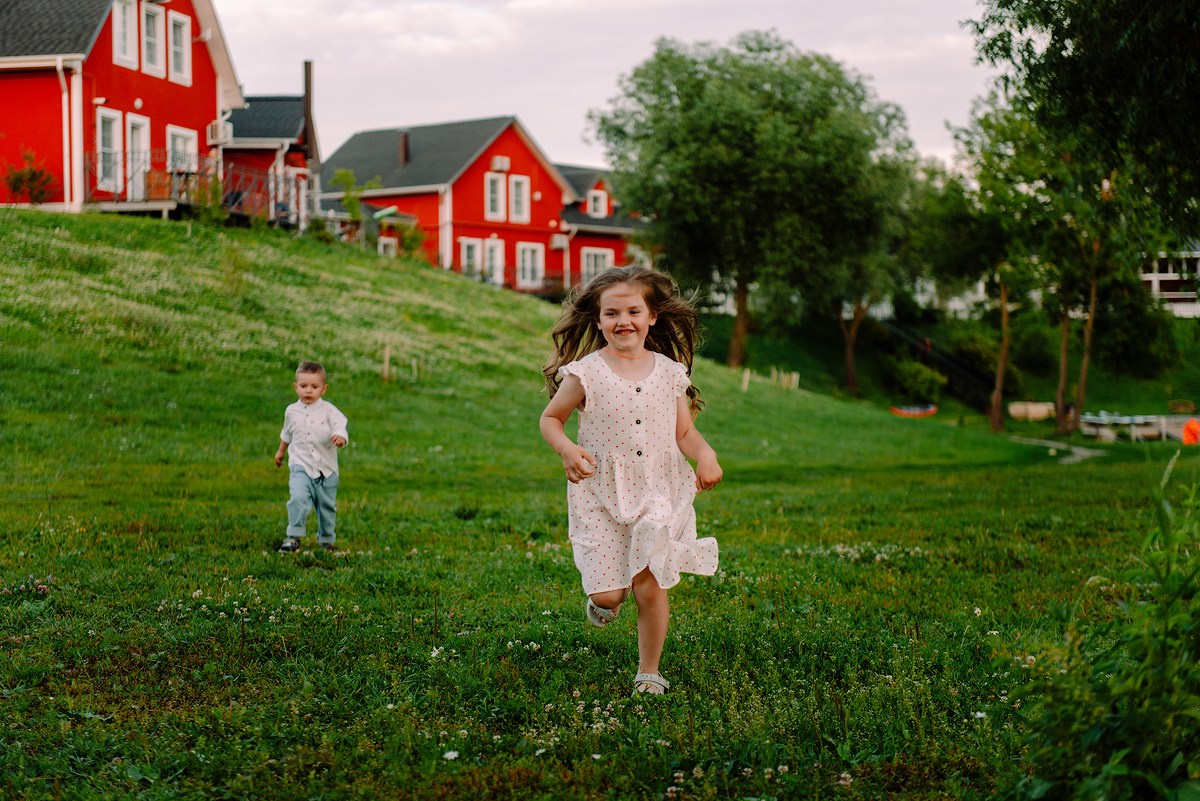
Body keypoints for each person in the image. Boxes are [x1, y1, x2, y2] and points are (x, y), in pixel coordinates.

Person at [539, 266, 722, 695]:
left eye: (633, 311)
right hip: (599, 493)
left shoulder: (669, 372)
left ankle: (649, 672)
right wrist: (567, 450)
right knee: (611, 596)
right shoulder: (585, 373)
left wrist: (706, 455)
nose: (623, 321)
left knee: (650, 583)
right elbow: (551, 419)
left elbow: (684, 433)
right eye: (612, 313)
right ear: (598, 319)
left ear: (652, 316)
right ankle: (602, 600)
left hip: (657, 491)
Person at [274, 360, 348, 552]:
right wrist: (281, 452)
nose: (308, 390)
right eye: (303, 386)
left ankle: (327, 540)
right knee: (298, 498)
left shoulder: (329, 410)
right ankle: (293, 536)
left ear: (324, 389)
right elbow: (287, 434)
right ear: (295, 387)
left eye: (314, 387)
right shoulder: (291, 411)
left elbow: (340, 425)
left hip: (327, 469)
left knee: (327, 506)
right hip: (300, 465)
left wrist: (340, 437)